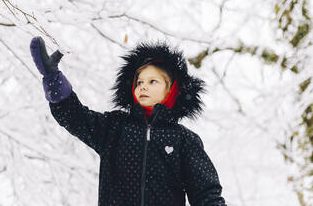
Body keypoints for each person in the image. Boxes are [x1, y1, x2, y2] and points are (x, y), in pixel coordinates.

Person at [30, 37, 227, 206]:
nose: (143, 87)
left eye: (152, 82)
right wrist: (52, 78)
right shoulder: (115, 128)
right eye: (139, 82)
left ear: (172, 90)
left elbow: (206, 193)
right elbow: (76, 118)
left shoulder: (184, 140)